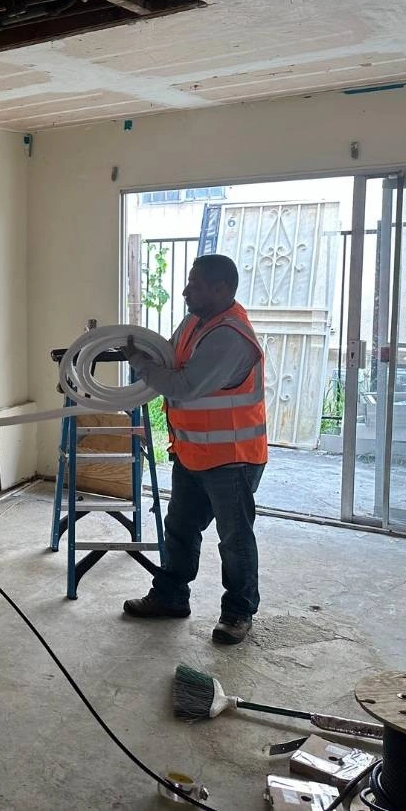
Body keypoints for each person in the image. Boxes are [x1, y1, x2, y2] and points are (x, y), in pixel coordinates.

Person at [121, 254, 267, 645]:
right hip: (193, 453)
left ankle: (238, 612)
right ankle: (170, 596)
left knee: (234, 538)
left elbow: (183, 386)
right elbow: (169, 360)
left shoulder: (230, 336)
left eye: (195, 285)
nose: (186, 291)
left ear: (221, 289)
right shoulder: (194, 323)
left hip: (232, 458)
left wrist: (140, 364)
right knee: (181, 528)